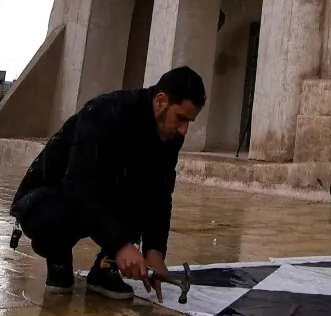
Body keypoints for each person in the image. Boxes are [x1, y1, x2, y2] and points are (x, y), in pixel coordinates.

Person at [10, 65, 205, 299]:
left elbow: (159, 194)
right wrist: (121, 244)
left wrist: (155, 251)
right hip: (52, 196)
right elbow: (78, 184)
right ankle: (59, 257)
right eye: (181, 118)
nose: (184, 130)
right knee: (50, 219)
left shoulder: (170, 134)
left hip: (103, 194)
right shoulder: (105, 112)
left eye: (189, 122)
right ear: (160, 101)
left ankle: (105, 268)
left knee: (141, 193)